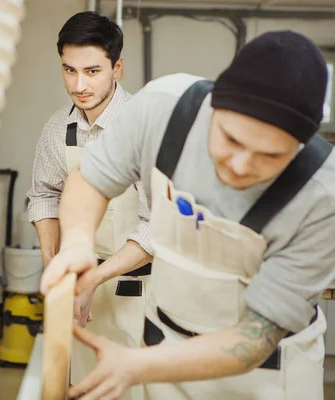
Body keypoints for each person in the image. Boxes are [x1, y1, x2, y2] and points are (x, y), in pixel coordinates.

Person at [40, 30, 335, 400]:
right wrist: (77, 242)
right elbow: (89, 180)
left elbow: (254, 340)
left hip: (269, 374)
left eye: (270, 156)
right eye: (231, 139)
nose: (241, 165)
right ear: (213, 106)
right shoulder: (163, 110)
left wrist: (133, 365)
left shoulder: (322, 196)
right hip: (165, 345)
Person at [25, 11, 152, 399]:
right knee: (79, 387)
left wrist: (93, 280)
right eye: (69, 70)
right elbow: (44, 195)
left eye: (93, 71)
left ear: (118, 68)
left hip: (138, 294)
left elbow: (155, 226)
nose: (79, 85)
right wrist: (55, 268)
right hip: (78, 293)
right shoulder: (56, 129)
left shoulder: (144, 127)